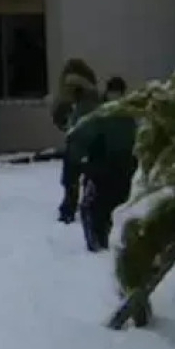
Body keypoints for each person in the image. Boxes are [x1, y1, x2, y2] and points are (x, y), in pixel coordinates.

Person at [68, 76, 138, 252]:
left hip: (120, 166)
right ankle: (98, 243)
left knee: (109, 206)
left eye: (118, 93)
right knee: (97, 207)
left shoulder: (124, 114)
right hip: (102, 165)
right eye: (113, 92)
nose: (115, 96)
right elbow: (83, 136)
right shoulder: (103, 113)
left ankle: (104, 242)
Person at [50, 58, 101, 223]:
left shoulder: (69, 97)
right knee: (87, 177)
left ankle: (70, 209)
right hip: (90, 143)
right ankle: (84, 206)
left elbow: (58, 116)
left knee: (72, 178)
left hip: (78, 143)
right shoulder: (92, 97)